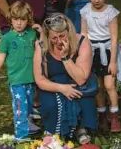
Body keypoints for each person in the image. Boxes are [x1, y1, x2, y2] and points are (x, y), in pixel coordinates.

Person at [34, 13, 97, 145]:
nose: (58, 41)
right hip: (53, 84)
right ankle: (54, 131)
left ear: (68, 30)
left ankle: (80, 128)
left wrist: (65, 58)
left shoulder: (82, 41)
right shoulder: (41, 46)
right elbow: (39, 79)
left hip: (76, 81)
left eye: (62, 35)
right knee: (52, 104)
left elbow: (81, 79)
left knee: (80, 96)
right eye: (53, 38)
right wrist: (62, 88)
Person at [0, 1, 41, 140]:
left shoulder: (32, 34)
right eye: (16, 19)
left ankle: (26, 126)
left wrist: (41, 31)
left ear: (28, 19)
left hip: (31, 78)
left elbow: (41, 49)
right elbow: (1, 55)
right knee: (20, 110)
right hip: (17, 80)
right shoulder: (7, 38)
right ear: (11, 19)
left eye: (22, 20)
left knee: (28, 107)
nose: (19, 23)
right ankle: (21, 137)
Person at [81, 0, 121, 133]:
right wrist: (83, 54)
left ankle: (114, 116)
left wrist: (113, 61)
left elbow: (114, 38)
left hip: (107, 51)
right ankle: (101, 114)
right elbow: (84, 34)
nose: (97, 0)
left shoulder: (110, 12)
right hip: (92, 50)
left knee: (109, 85)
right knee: (99, 86)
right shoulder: (85, 11)